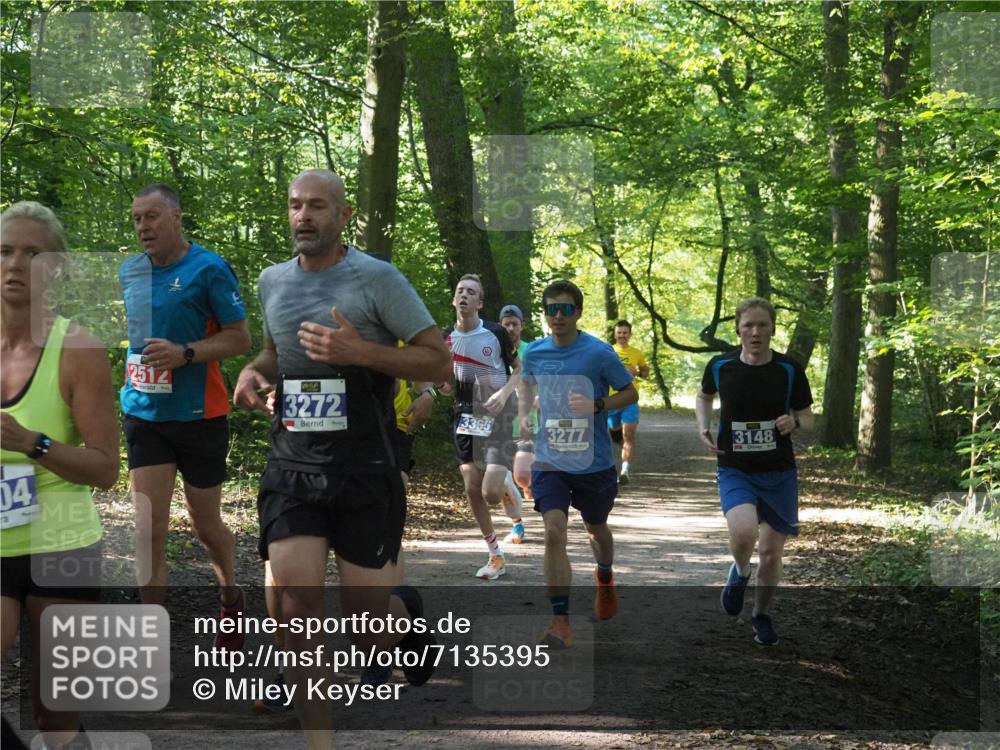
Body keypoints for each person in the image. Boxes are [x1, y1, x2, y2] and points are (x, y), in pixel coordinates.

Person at [233, 169, 451, 748]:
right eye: (295, 205)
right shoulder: (272, 281)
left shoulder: (377, 279)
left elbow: (438, 362)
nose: (303, 216)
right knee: (294, 614)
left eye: (317, 206)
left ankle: (403, 620)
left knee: (365, 629)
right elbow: (275, 351)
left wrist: (361, 352)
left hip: (365, 469)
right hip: (294, 465)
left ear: (344, 215)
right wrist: (254, 371)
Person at [1, 202, 119, 750]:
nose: (15, 264)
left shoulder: (79, 349)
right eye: (5, 251)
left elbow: (106, 468)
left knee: (54, 714)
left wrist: (33, 443)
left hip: (62, 544)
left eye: (33, 254)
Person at [119, 184, 251, 649]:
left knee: (205, 526)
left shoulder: (209, 268)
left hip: (200, 415)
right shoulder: (130, 271)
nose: (143, 227)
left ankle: (230, 595)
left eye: (152, 216)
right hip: (145, 412)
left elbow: (240, 338)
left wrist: (186, 353)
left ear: (176, 217)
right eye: (137, 218)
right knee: (147, 528)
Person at [517, 281, 637, 649]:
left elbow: (630, 392)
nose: (558, 316)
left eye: (566, 309)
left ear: (578, 313)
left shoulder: (599, 353)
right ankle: (560, 621)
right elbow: (526, 384)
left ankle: (604, 575)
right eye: (552, 309)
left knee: (596, 529)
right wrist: (524, 414)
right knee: (554, 531)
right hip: (550, 460)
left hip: (593, 462)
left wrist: (597, 405)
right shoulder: (535, 352)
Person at [695, 297, 814, 646]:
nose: (756, 332)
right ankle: (740, 571)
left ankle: (761, 615)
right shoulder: (721, 366)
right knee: (745, 532)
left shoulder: (789, 369)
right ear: (738, 329)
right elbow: (703, 396)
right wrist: (703, 426)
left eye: (763, 325)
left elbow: (808, 418)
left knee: (772, 554)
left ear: (773, 329)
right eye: (748, 325)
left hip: (779, 471)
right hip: (735, 467)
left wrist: (794, 422)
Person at [440, 276, 520, 580]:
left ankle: (505, 483)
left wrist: (505, 393)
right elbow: (448, 385)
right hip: (465, 414)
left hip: (498, 412)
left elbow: (519, 369)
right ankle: (495, 554)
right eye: (460, 291)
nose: (464, 295)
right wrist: (443, 386)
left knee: (490, 493)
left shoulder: (496, 333)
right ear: (454, 300)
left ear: (480, 302)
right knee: (472, 488)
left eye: (471, 292)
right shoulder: (446, 338)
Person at [498, 303, 534, 545]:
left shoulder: (532, 351)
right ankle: (517, 523)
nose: (510, 328)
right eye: (506, 324)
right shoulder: (493, 350)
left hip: (528, 421)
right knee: (503, 479)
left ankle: (531, 485)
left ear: (522, 326)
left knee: (521, 475)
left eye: (514, 324)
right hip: (499, 423)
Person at [606, 320, 649, 485]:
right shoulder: (607, 351)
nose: (622, 335)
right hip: (612, 400)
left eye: (625, 332)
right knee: (616, 434)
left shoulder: (637, 353)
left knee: (628, 435)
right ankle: (623, 447)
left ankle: (625, 471)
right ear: (615, 334)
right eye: (619, 332)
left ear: (630, 334)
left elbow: (645, 372)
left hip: (630, 398)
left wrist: (637, 372)